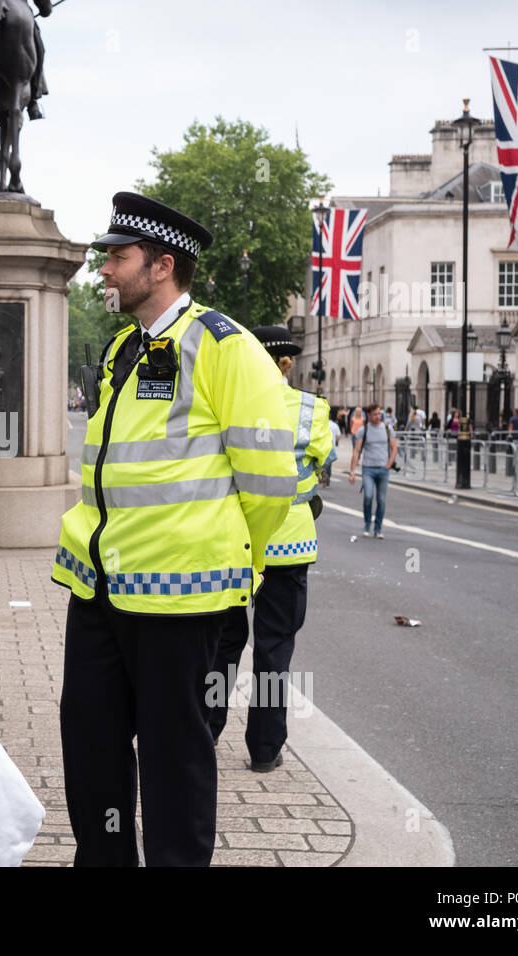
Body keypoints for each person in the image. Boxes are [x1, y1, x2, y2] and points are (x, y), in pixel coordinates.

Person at [52, 192, 296, 866]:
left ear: (161, 266)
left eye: (117, 257)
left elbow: (271, 483)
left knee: (174, 761)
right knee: (92, 749)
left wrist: (231, 563)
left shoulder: (224, 346)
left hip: (181, 593)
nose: (104, 268)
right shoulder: (122, 350)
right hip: (98, 588)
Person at [208, 325, 335, 772]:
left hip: (235, 542)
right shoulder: (311, 409)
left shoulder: (227, 402)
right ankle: (264, 750)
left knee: (223, 646)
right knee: (274, 649)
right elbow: (321, 462)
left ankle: (205, 733)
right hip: (289, 543)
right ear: (284, 363)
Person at [349, 403, 397, 539]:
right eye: (375, 414)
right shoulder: (363, 430)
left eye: (379, 413)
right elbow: (357, 451)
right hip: (368, 469)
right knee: (368, 496)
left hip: (383, 470)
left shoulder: (388, 429)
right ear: (369, 415)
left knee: (381, 500)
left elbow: (394, 448)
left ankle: (378, 528)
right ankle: (367, 524)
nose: (378, 416)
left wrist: (389, 464)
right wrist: (352, 472)